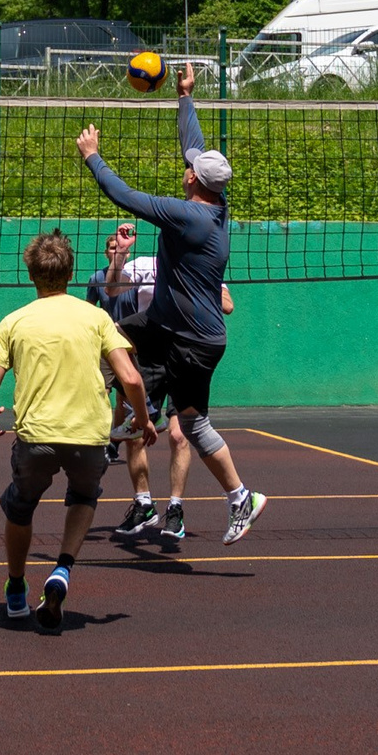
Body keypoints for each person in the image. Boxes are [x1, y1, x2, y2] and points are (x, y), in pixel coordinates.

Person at [77, 62, 267, 546]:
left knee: (194, 424)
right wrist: (184, 97)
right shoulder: (215, 203)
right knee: (110, 337)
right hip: (169, 325)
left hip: (191, 339)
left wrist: (93, 157)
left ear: (193, 182)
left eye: (190, 168)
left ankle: (240, 495)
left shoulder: (187, 218)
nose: (187, 166)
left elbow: (123, 195)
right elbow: (194, 145)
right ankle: (141, 415)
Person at [0, 229, 153, 626]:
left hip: (36, 437)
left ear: (30, 274)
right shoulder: (97, 317)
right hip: (89, 437)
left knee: (21, 507)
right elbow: (132, 379)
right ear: (70, 273)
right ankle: (62, 570)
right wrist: (142, 421)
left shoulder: (13, 321)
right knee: (84, 497)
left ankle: (16, 588)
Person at [93, 224, 235, 537]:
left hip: (186, 355)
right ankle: (143, 504)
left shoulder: (200, 266)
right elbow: (112, 288)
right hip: (152, 356)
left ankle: (175, 508)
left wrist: (196, 283)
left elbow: (227, 305)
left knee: (179, 435)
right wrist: (121, 254)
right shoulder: (144, 265)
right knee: (135, 430)